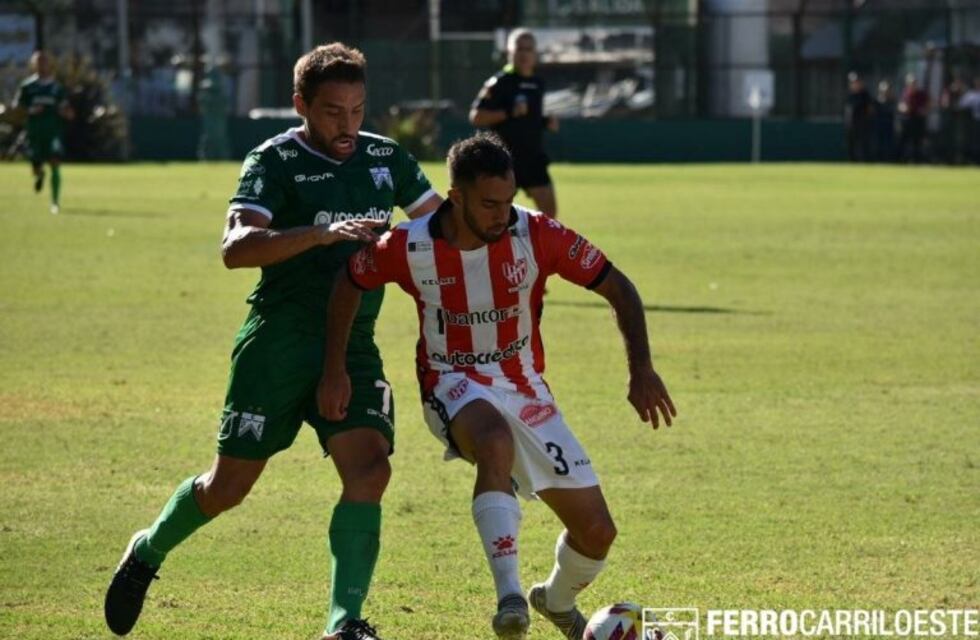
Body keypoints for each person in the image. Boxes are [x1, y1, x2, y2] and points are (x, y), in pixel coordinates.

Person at [103, 43, 441, 640]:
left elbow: (442, 226)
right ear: (301, 105)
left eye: (359, 109)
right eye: (334, 110)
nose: (348, 124)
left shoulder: (386, 158)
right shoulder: (274, 160)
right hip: (279, 342)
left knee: (369, 470)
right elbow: (236, 250)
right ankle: (149, 550)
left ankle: (344, 624)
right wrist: (319, 233)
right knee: (227, 487)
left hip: (354, 340)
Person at [318, 133, 677, 640]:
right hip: (450, 382)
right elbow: (350, 282)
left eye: (508, 202)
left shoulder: (536, 235)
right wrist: (335, 369)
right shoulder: (409, 244)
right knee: (493, 442)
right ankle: (509, 596)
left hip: (525, 387)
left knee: (597, 532)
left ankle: (552, 600)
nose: (502, 215)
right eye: (489, 204)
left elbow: (619, 287)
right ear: (456, 196)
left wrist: (640, 368)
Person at [470, 28, 559, 219]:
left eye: (528, 49)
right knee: (496, 216)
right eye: (519, 49)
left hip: (533, 157)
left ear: (535, 53)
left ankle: (541, 249)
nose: (524, 54)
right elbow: (476, 117)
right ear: (509, 52)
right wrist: (509, 112)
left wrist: (545, 122)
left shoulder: (537, 83)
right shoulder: (499, 83)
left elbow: (529, 118)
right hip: (505, 159)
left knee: (550, 215)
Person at [13, 50, 73, 214]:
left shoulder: (57, 88)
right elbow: (18, 109)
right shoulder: (27, 87)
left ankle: (55, 202)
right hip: (34, 132)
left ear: (50, 65)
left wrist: (66, 113)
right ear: (33, 65)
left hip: (53, 132)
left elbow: (68, 110)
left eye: (44, 62)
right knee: (36, 167)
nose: (42, 65)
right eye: (38, 62)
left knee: (55, 163)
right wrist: (31, 110)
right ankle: (39, 175)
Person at [898, 73, 930, 163]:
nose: (912, 85)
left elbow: (928, 104)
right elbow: (901, 105)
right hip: (907, 120)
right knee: (904, 141)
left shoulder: (921, 94)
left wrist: (924, 110)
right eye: (910, 83)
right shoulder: (905, 93)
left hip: (918, 121)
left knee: (918, 142)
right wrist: (903, 108)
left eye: (914, 83)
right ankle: (902, 160)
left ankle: (917, 160)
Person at [844, 72, 873, 162]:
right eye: (852, 82)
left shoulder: (865, 94)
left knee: (863, 144)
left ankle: (865, 162)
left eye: (856, 81)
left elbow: (870, 109)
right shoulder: (849, 95)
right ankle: (852, 162)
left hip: (862, 123)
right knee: (850, 145)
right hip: (850, 124)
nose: (854, 84)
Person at [873, 80, 897, 163]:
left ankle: (889, 160)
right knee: (878, 144)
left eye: (886, 90)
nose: (885, 92)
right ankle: (878, 160)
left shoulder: (892, 101)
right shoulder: (876, 102)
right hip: (879, 126)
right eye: (883, 90)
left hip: (889, 126)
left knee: (889, 145)